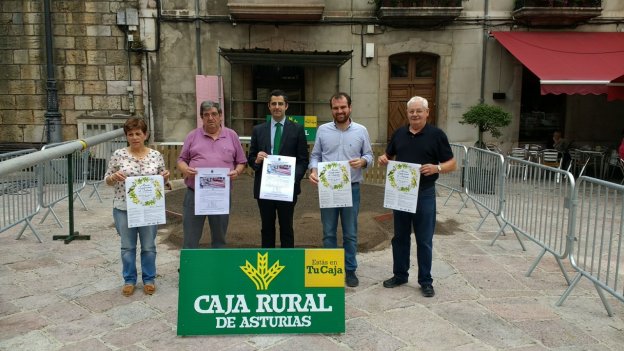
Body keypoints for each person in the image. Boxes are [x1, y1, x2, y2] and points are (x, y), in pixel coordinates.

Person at [378, 96, 456, 298]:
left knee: (424, 239)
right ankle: (400, 274)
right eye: (411, 111)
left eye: (419, 111)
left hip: (424, 194)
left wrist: (437, 167)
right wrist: (384, 159)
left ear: (427, 112)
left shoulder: (437, 135)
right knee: (400, 237)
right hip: (402, 194)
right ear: (407, 113)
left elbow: (452, 164)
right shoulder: (399, 134)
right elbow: (388, 156)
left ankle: (425, 281)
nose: (414, 114)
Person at [309, 92, 374, 287]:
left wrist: (363, 161)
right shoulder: (322, 130)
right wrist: (313, 170)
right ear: (331, 109)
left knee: (350, 232)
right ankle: (331, 269)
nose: (340, 111)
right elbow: (315, 155)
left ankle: (350, 269)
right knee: (328, 231)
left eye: (343, 107)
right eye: (336, 108)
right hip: (328, 188)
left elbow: (369, 156)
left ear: (350, 108)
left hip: (351, 188)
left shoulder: (361, 130)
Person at [105, 117, 170, 297]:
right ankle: (129, 280)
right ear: (126, 136)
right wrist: (113, 177)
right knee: (127, 246)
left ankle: (149, 279)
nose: (134, 137)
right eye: (130, 134)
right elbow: (107, 179)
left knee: (149, 246)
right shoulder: (118, 154)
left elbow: (162, 180)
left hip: (149, 209)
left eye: (138, 133)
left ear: (145, 134)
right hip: (123, 207)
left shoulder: (156, 155)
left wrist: (165, 177)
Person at [177, 101, 247, 249]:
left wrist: (237, 171)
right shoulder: (192, 136)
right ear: (201, 117)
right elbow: (181, 160)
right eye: (206, 115)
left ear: (220, 116)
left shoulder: (231, 135)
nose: (210, 118)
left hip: (220, 194)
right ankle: (190, 269)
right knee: (190, 236)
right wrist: (185, 169)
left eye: (214, 114)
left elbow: (241, 161)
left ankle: (217, 269)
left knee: (219, 237)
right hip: (195, 193)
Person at [248, 90, 309, 248]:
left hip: (287, 189)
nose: (277, 107)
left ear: (286, 106)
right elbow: (251, 158)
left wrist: (292, 179)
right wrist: (257, 160)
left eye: (280, 103)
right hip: (265, 188)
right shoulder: (258, 130)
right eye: (273, 103)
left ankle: (287, 265)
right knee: (267, 228)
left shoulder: (297, 129)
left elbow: (303, 160)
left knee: (286, 228)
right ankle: (268, 264)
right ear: (269, 106)